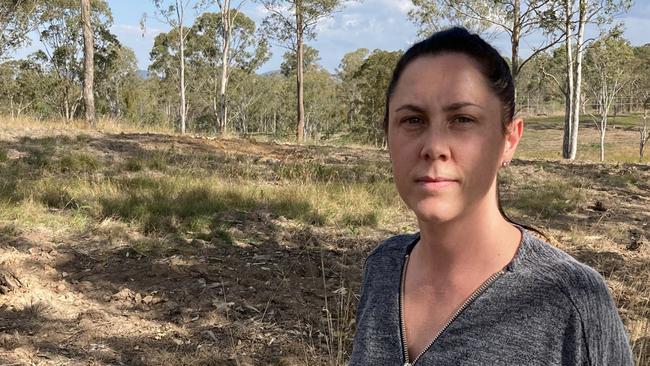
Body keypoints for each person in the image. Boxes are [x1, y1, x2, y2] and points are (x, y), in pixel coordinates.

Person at [349, 27, 633, 366]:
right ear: (388, 136)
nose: (434, 148)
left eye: (463, 119)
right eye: (413, 120)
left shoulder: (573, 301)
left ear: (509, 139)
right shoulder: (384, 266)